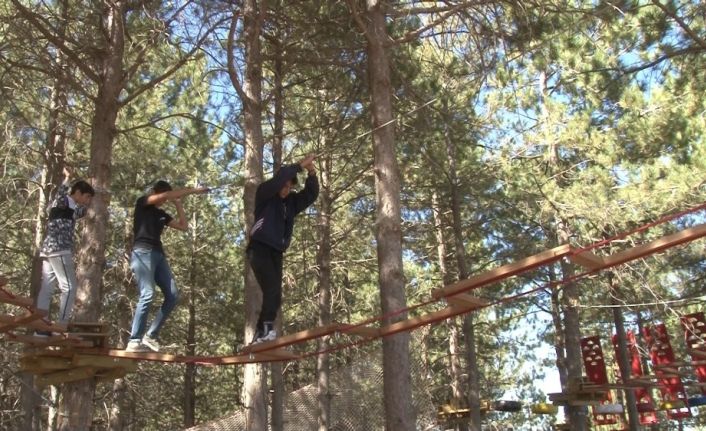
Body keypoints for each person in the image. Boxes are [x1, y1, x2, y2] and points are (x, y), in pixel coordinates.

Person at [126, 181, 208, 353]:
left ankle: (150, 336)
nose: (164, 200)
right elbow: (164, 196)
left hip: (158, 254)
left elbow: (183, 227)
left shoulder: (162, 214)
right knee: (147, 293)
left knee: (173, 295)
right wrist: (193, 190)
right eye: (162, 195)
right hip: (142, 253)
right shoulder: (143, 202)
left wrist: (178, 204)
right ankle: (134, 341)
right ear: (155, 192)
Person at [247, 154, 318, 344]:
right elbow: (282, 175)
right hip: (259, 248)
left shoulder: (290, 203)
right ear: (278, 184)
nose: (286, 190)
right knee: (271, 289)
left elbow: (311, 194)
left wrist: (311, 172)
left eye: (289, 187)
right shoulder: (265, 193)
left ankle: (259, 335)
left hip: (276, 251)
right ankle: (267, 330)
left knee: (275, 296)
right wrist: (301, 164)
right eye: (284, 186)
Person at [35, 167, 94, 335]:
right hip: (59, 249)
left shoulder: (70, 207)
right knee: (69, 287)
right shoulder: (64, 200)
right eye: (87, 196)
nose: (87, 200)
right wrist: (67, 179)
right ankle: (61, 325)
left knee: (47, 287)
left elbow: (81, 212)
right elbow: (62, 193)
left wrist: (98, 198)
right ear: (79, 192)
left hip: (48, 250)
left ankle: (41, 327)